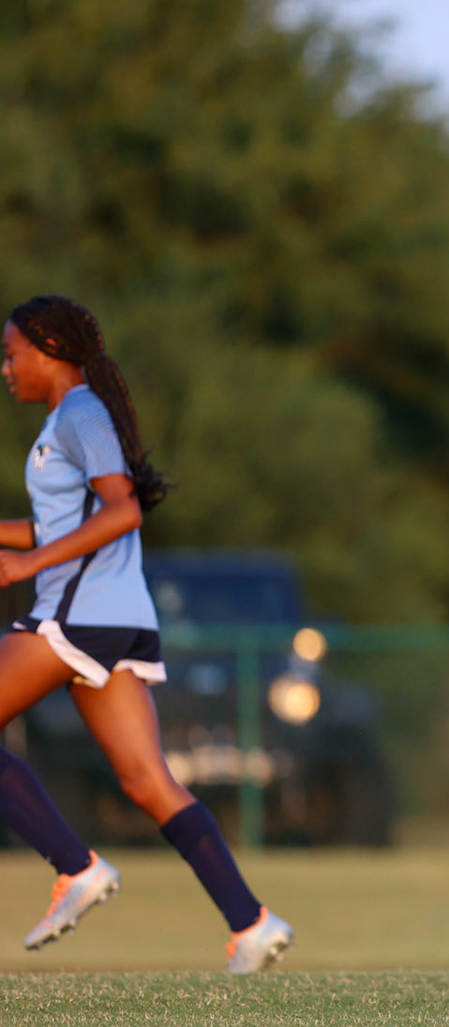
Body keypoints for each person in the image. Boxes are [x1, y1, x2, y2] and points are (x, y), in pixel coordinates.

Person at [0, 296, 293, 973]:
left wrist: (28, 566)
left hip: (79, 615)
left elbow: (122, 511)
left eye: (11, 354)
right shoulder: (69, 419)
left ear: (49, 350)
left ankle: (76, 867)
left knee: (144, 779)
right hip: (114, 619)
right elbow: (63, 523)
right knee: (146, 781)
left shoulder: (79, 413)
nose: (6, 368)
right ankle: (251, 922)